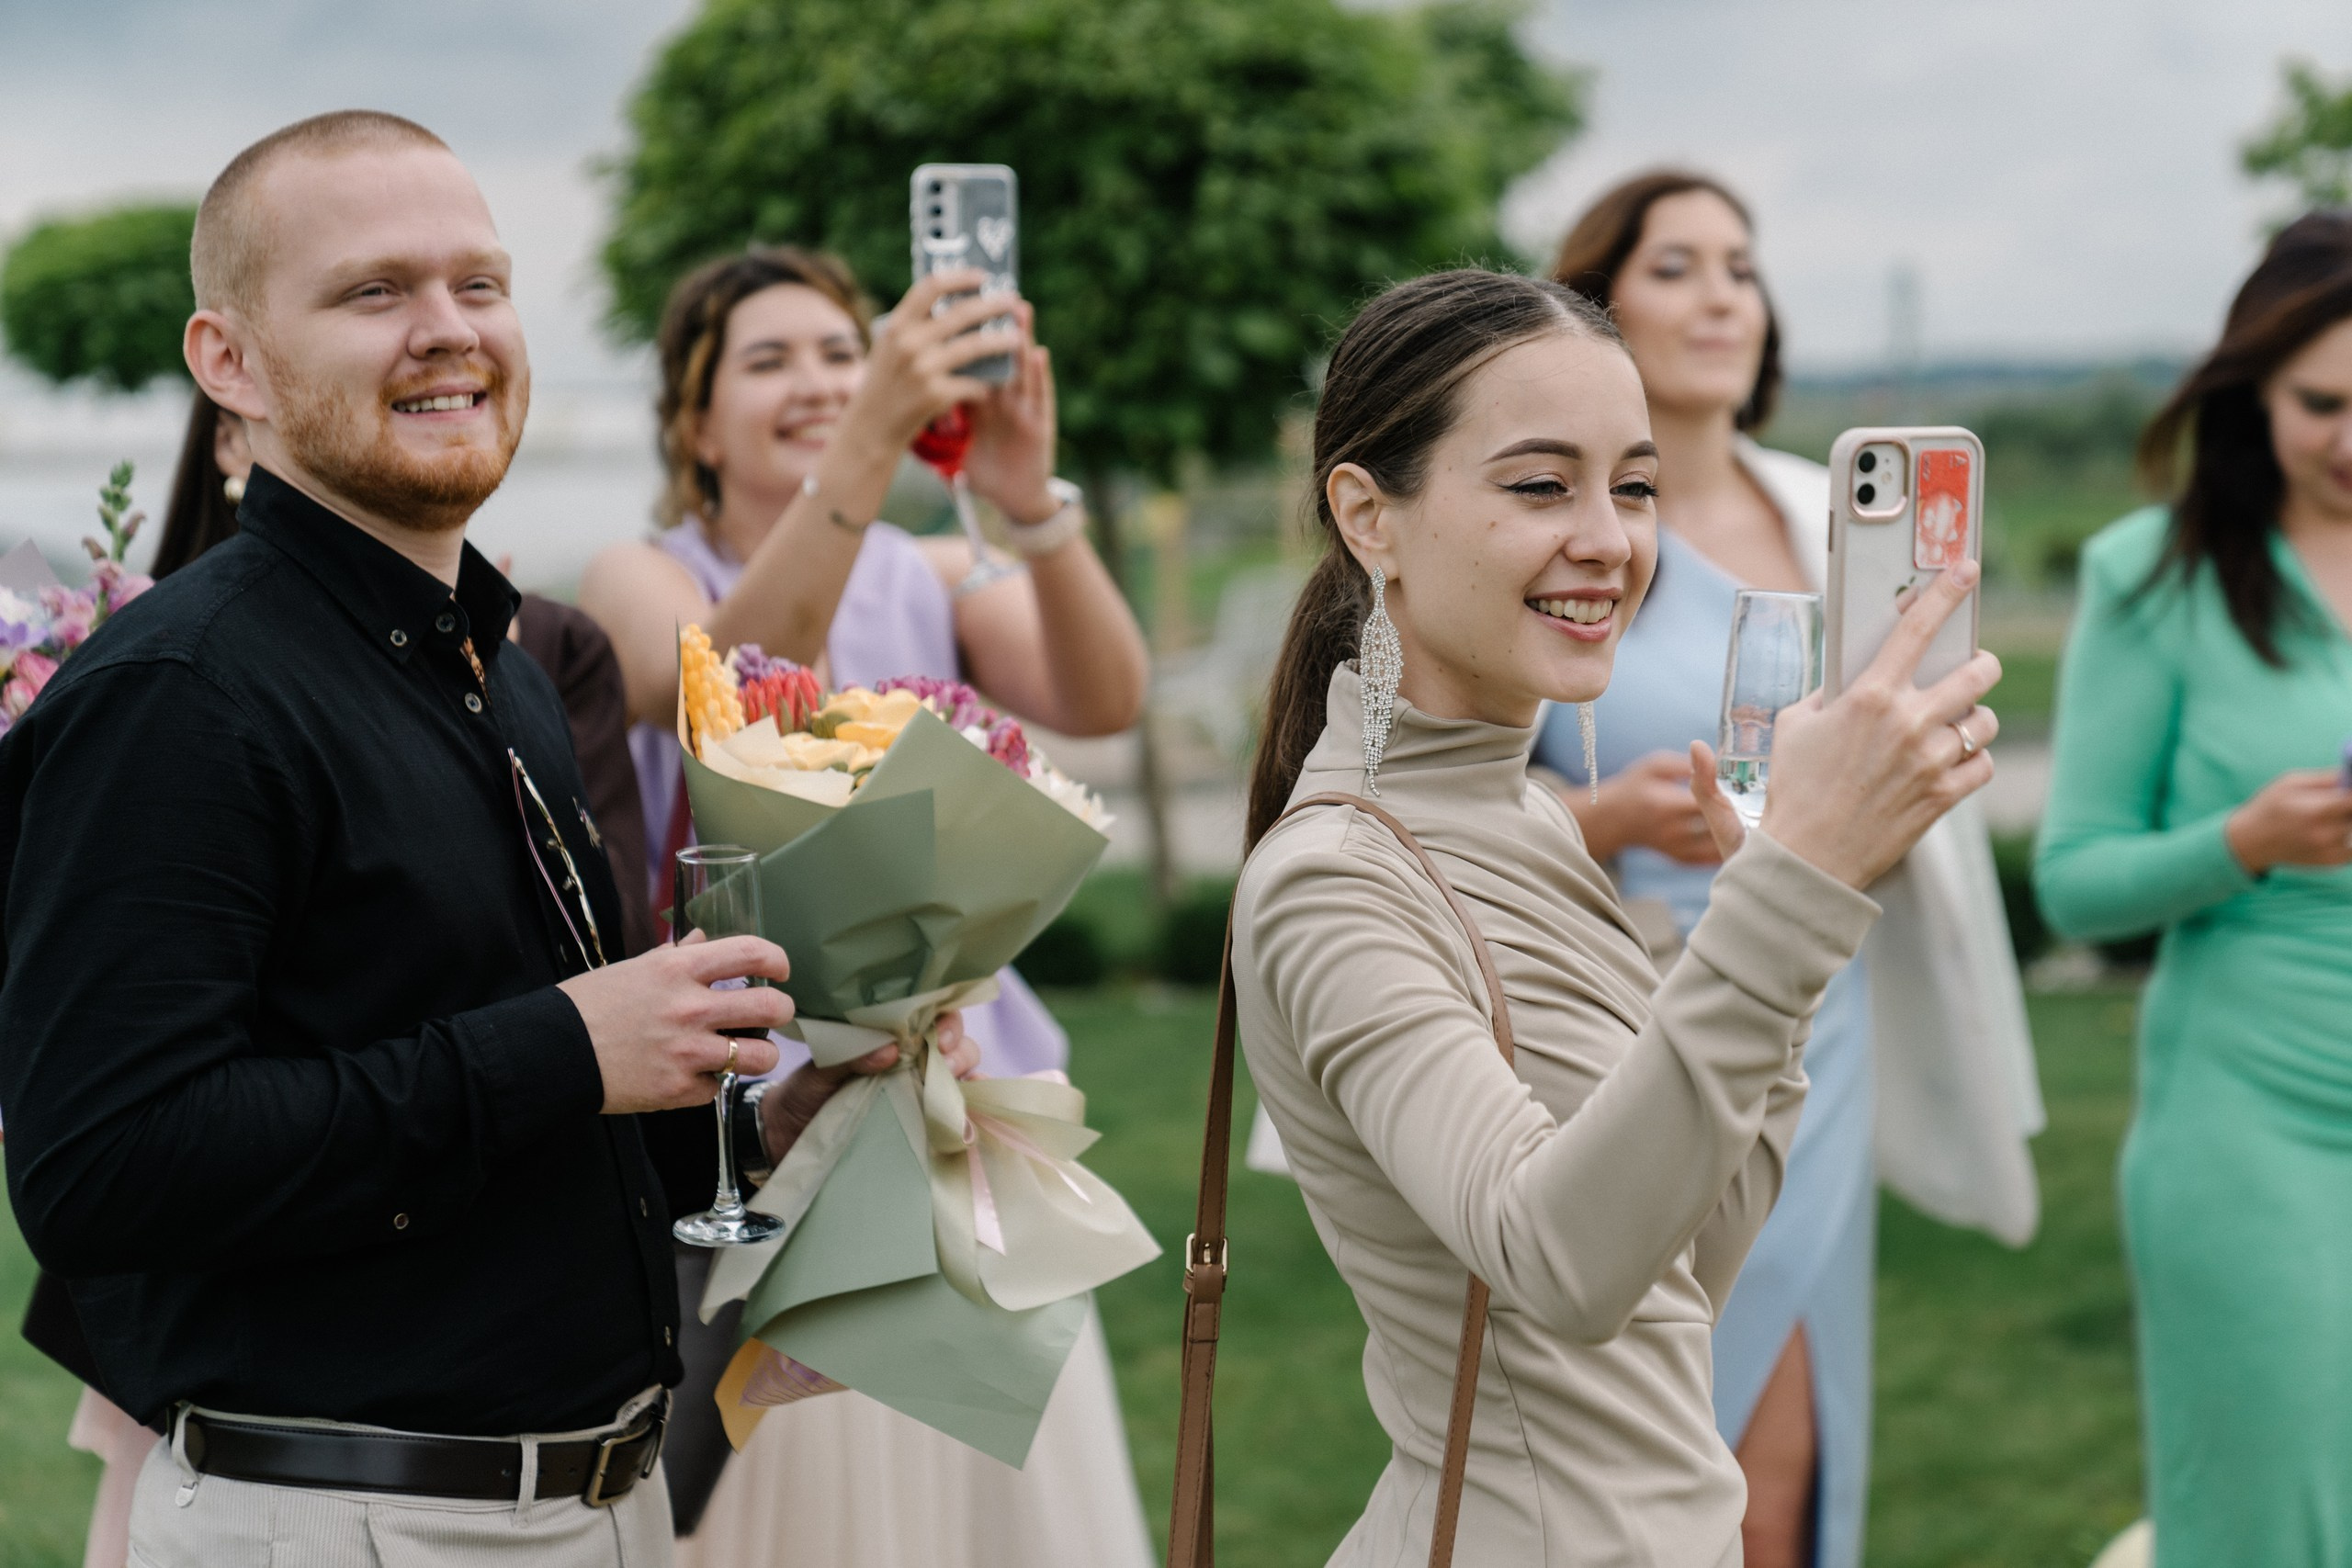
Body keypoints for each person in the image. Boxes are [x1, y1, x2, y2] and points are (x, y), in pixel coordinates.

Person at [0, 110, 977, 1567]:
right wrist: (568, 1045)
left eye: (481, 284)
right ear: (229, 363)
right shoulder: (179, 694)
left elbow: (526, 1123)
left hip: (605, 1506)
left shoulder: (500, 670)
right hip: (348, 1521)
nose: (448, 330)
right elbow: (105, 1167)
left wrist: (761, 1130)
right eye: (373, 291)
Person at [1229, 266, 2001, 1566]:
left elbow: (1686, 1261)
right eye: (1542, 486)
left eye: (1635, 488)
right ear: (1368, 515)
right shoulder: (1333, 879)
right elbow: (1564, 1265)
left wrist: (1785, 918)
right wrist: (1786, 897)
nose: (1609, 540)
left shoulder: (1532, 820)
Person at [575, 247, 1149, 1564]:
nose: (823, 383)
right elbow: (732, 690)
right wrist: (873, 438)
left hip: (958, 1107)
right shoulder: (636, 577)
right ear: (693, 422)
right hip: (760, 1122)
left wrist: (1028, 505)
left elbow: (1107, 697)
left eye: (846, 354)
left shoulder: (929, 571)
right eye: (770, 361)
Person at [1530, 171, 2041, 1568]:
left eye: (1741, 268)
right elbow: (1441, 790)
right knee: (1641, 1459)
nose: (1720, 298)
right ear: (1594, 308)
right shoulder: (1559, 529)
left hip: (1826, 1014)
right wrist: (1607, 818)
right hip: (1627, 1015)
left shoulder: (1831, 509)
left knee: (1789, 1465)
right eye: (1676, 266)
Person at [2035, 210, 2352, 1568]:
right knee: (2269, 1526)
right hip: (2254, 1123)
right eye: (2322, 404)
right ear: (2251, 395)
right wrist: (2245, 839)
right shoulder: (2154, 576)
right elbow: (2073, 884)